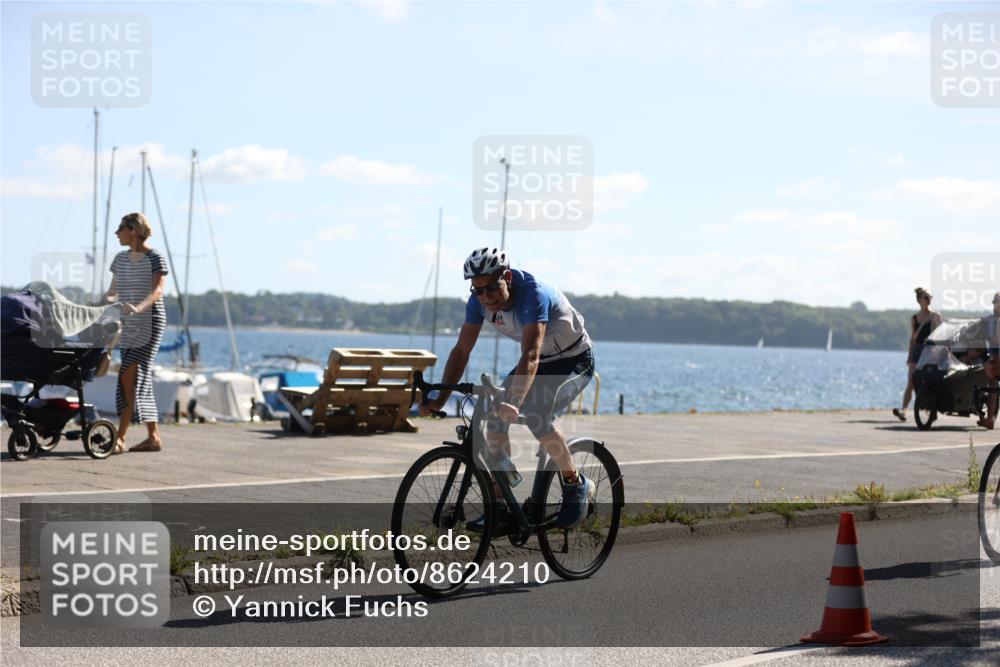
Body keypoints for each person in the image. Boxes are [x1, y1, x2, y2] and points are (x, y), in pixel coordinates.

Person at [420, 247, 596, 529]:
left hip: (573, 361)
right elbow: (462, 349)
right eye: (478, 290)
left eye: (491, 287)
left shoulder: (533, 294)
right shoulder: (477, 302)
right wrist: (440, 397)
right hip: (539, 361)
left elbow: (531, 355)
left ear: (508, 277)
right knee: (493, 419)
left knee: (537, 415)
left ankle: (576, 484)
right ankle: (502, 502)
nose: (485, 297)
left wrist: (514, 401)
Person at [103, 212, 168, 453]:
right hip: (129, 323)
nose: (116, 233)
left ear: (133, 230)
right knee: (139, 378)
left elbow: (157, 292)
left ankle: (120, 439)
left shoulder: (155, 258)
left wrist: (138, 308)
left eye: (120, 228)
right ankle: (154, 438)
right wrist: (98, 303)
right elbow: (112, 292)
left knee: (128, 376)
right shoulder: (120, 260)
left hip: (150, 321)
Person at [893, 287, 941, 422]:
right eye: (926, 297)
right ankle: (903, 410)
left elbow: (941, 334)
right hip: (918, 351)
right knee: (911, 381)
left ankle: (932, 409)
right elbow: (913, 339)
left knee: (930, 381)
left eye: (930, 297)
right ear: (919, 300)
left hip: (931, 352)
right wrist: (909, 356)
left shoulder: (935, 316)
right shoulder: (915, 318)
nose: (929, 300)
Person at [978, 291, 1000, 430]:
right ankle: (990, 417)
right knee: (992, 384)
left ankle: (990, 417)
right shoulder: (989, 319)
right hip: (993, 353)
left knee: (993, 385)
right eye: (996, 302)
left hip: (996, 354)